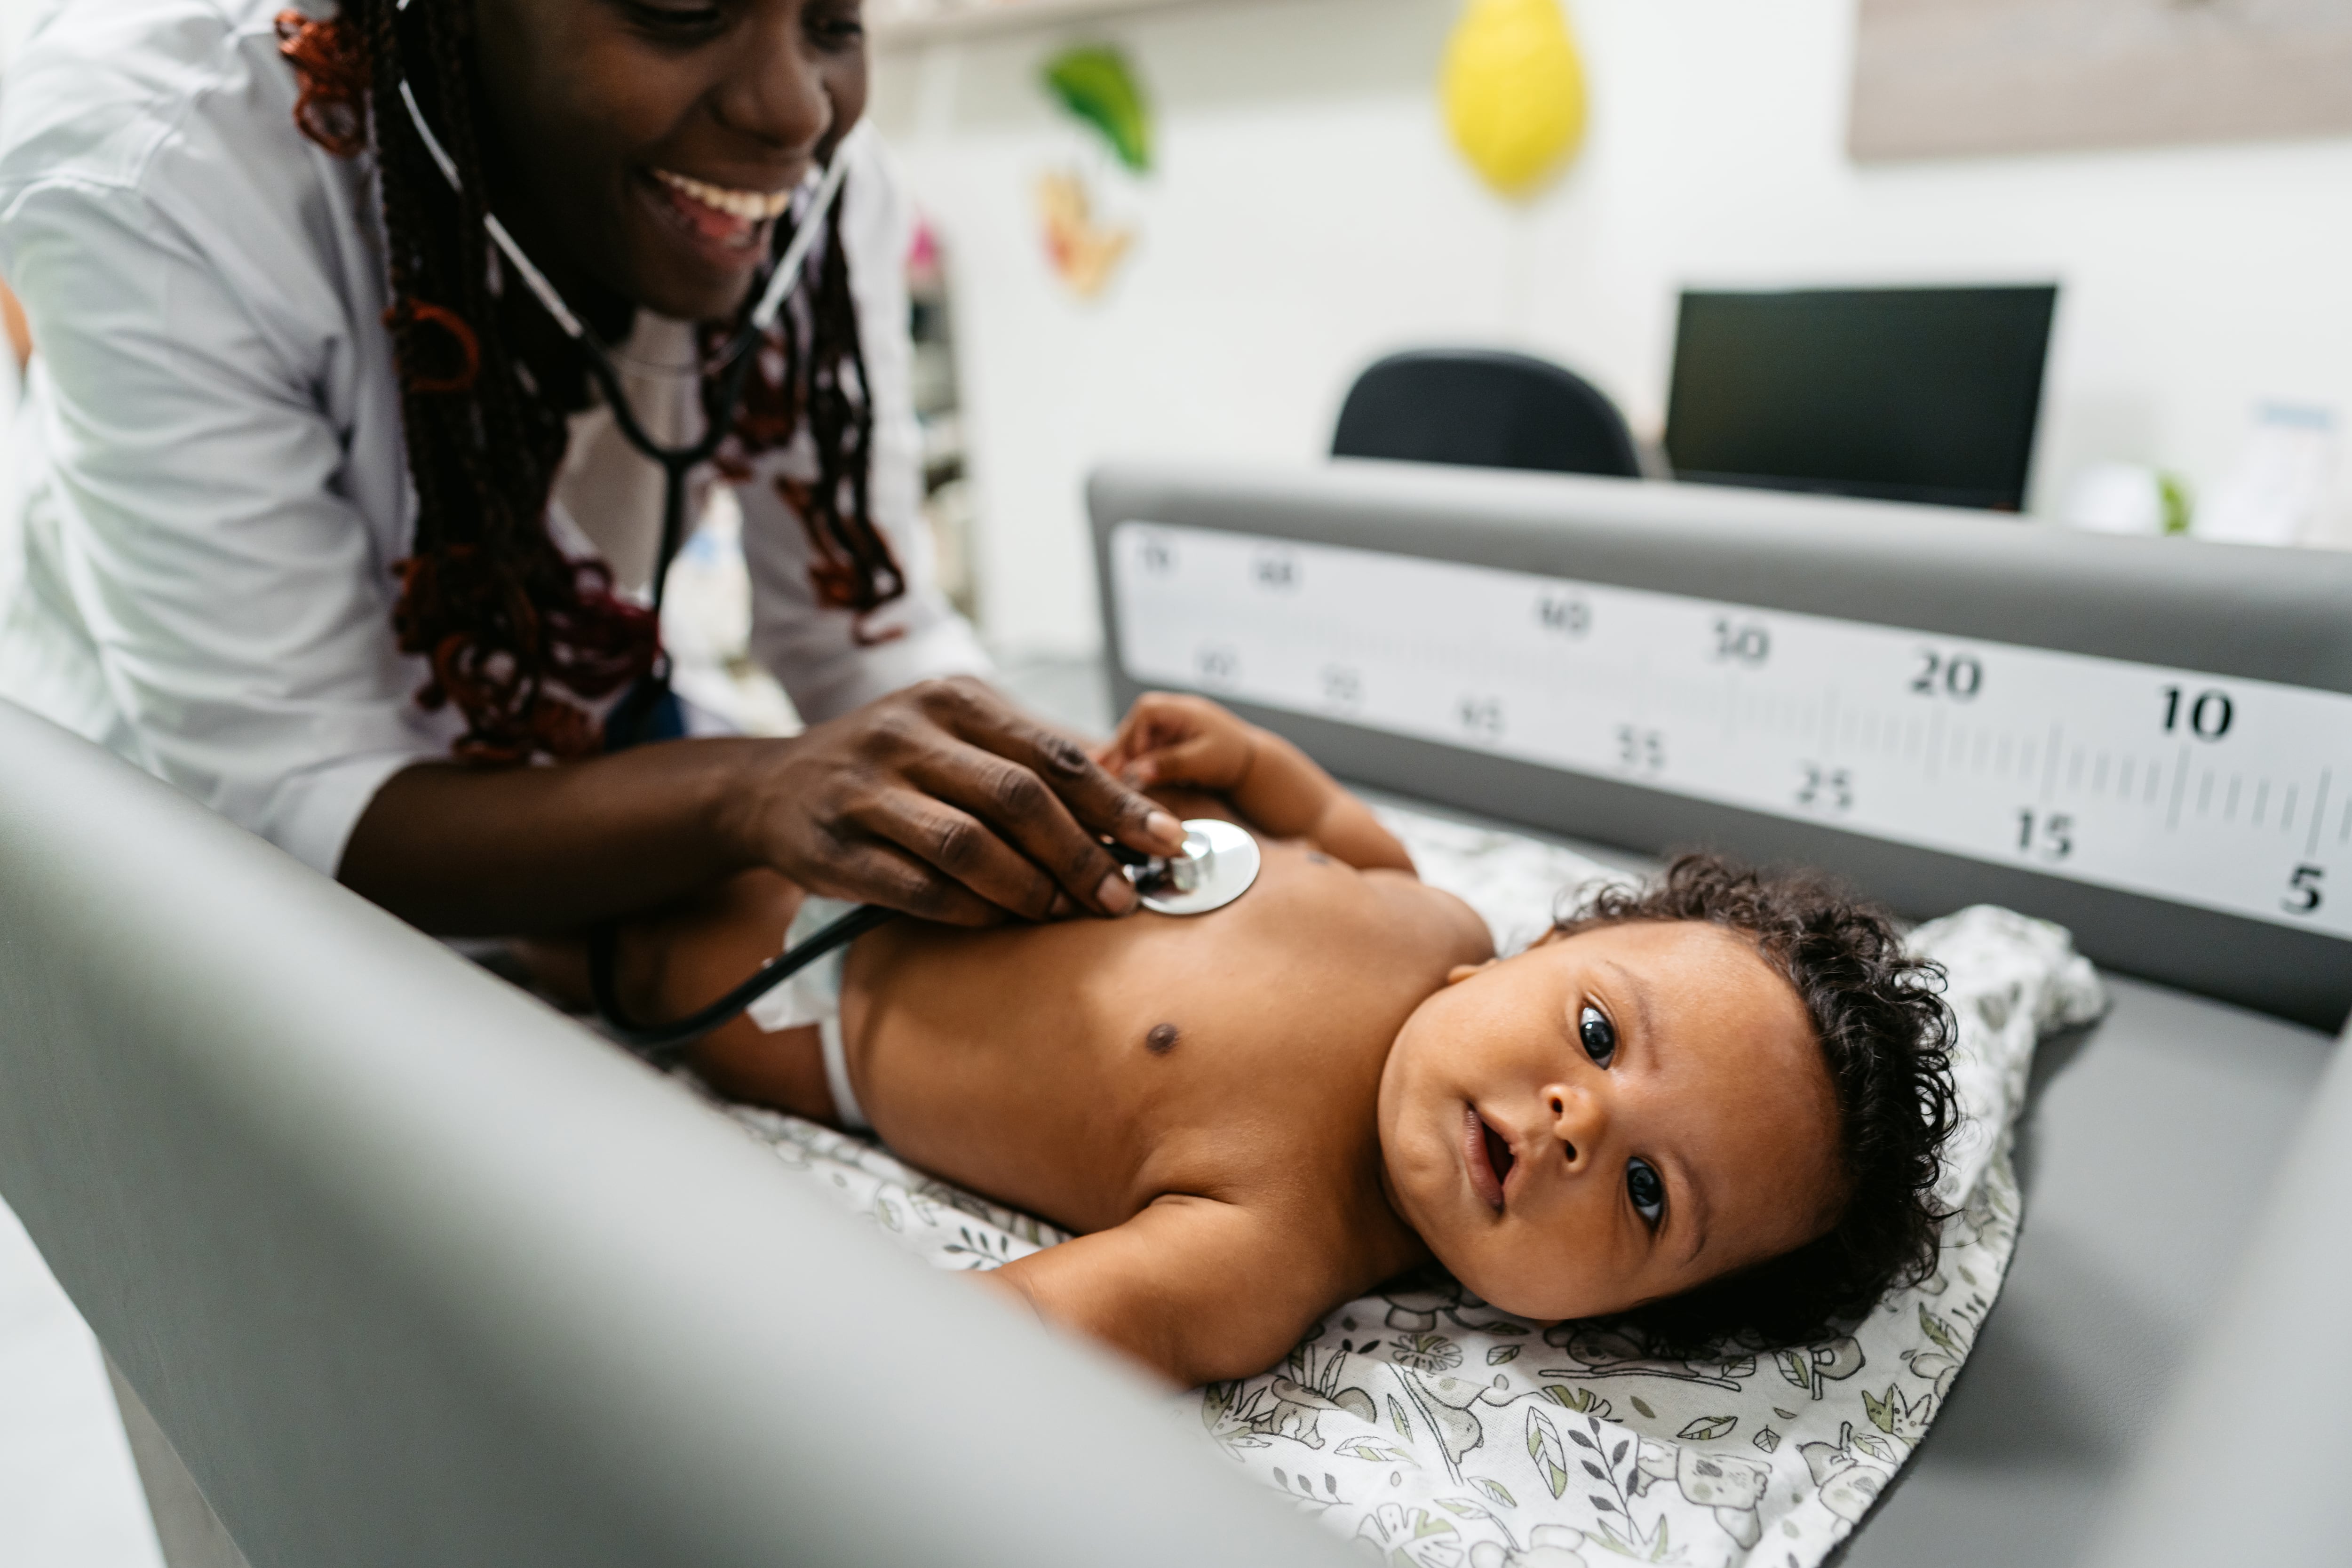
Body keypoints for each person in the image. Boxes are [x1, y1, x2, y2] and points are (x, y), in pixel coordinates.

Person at [0, 0, 1182, 944]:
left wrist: (1088, 790)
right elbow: (299, 801)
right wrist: (743, 790)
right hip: (191, 847)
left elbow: (860, 638)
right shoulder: (157, 168)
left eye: (833, 20)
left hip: (546, 766)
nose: (791, 110)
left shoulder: (816, 192)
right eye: (681, 9)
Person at [608, 693, 1961, 1387]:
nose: (1580, 1123)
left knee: (617, 942)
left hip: (810, 997)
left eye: (1649, 1193)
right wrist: (1251, 759)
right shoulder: (1432, 913)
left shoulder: (1274, 1240)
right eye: (1600, 1030)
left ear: (1627, 1312)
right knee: (667, 778)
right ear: (1539, 947)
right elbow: (1335, 832)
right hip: (920, 813)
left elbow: (1037, 1322)